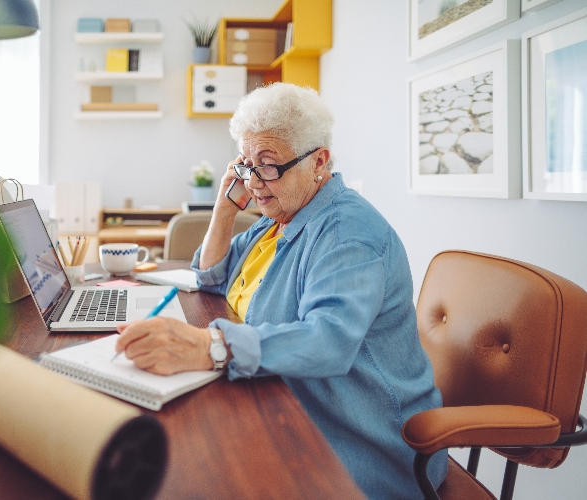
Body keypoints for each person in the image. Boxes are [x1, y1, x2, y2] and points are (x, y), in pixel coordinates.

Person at [115, 83, 447, 498]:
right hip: (282, 403)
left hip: (358, 439)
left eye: (268, 165)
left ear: (318, 162)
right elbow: (211, 275)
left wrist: (211, 347)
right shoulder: (279, 216)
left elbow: (329, 340)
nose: (254, 182)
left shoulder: (347, 233)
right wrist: (223, 209)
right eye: (246, 165)